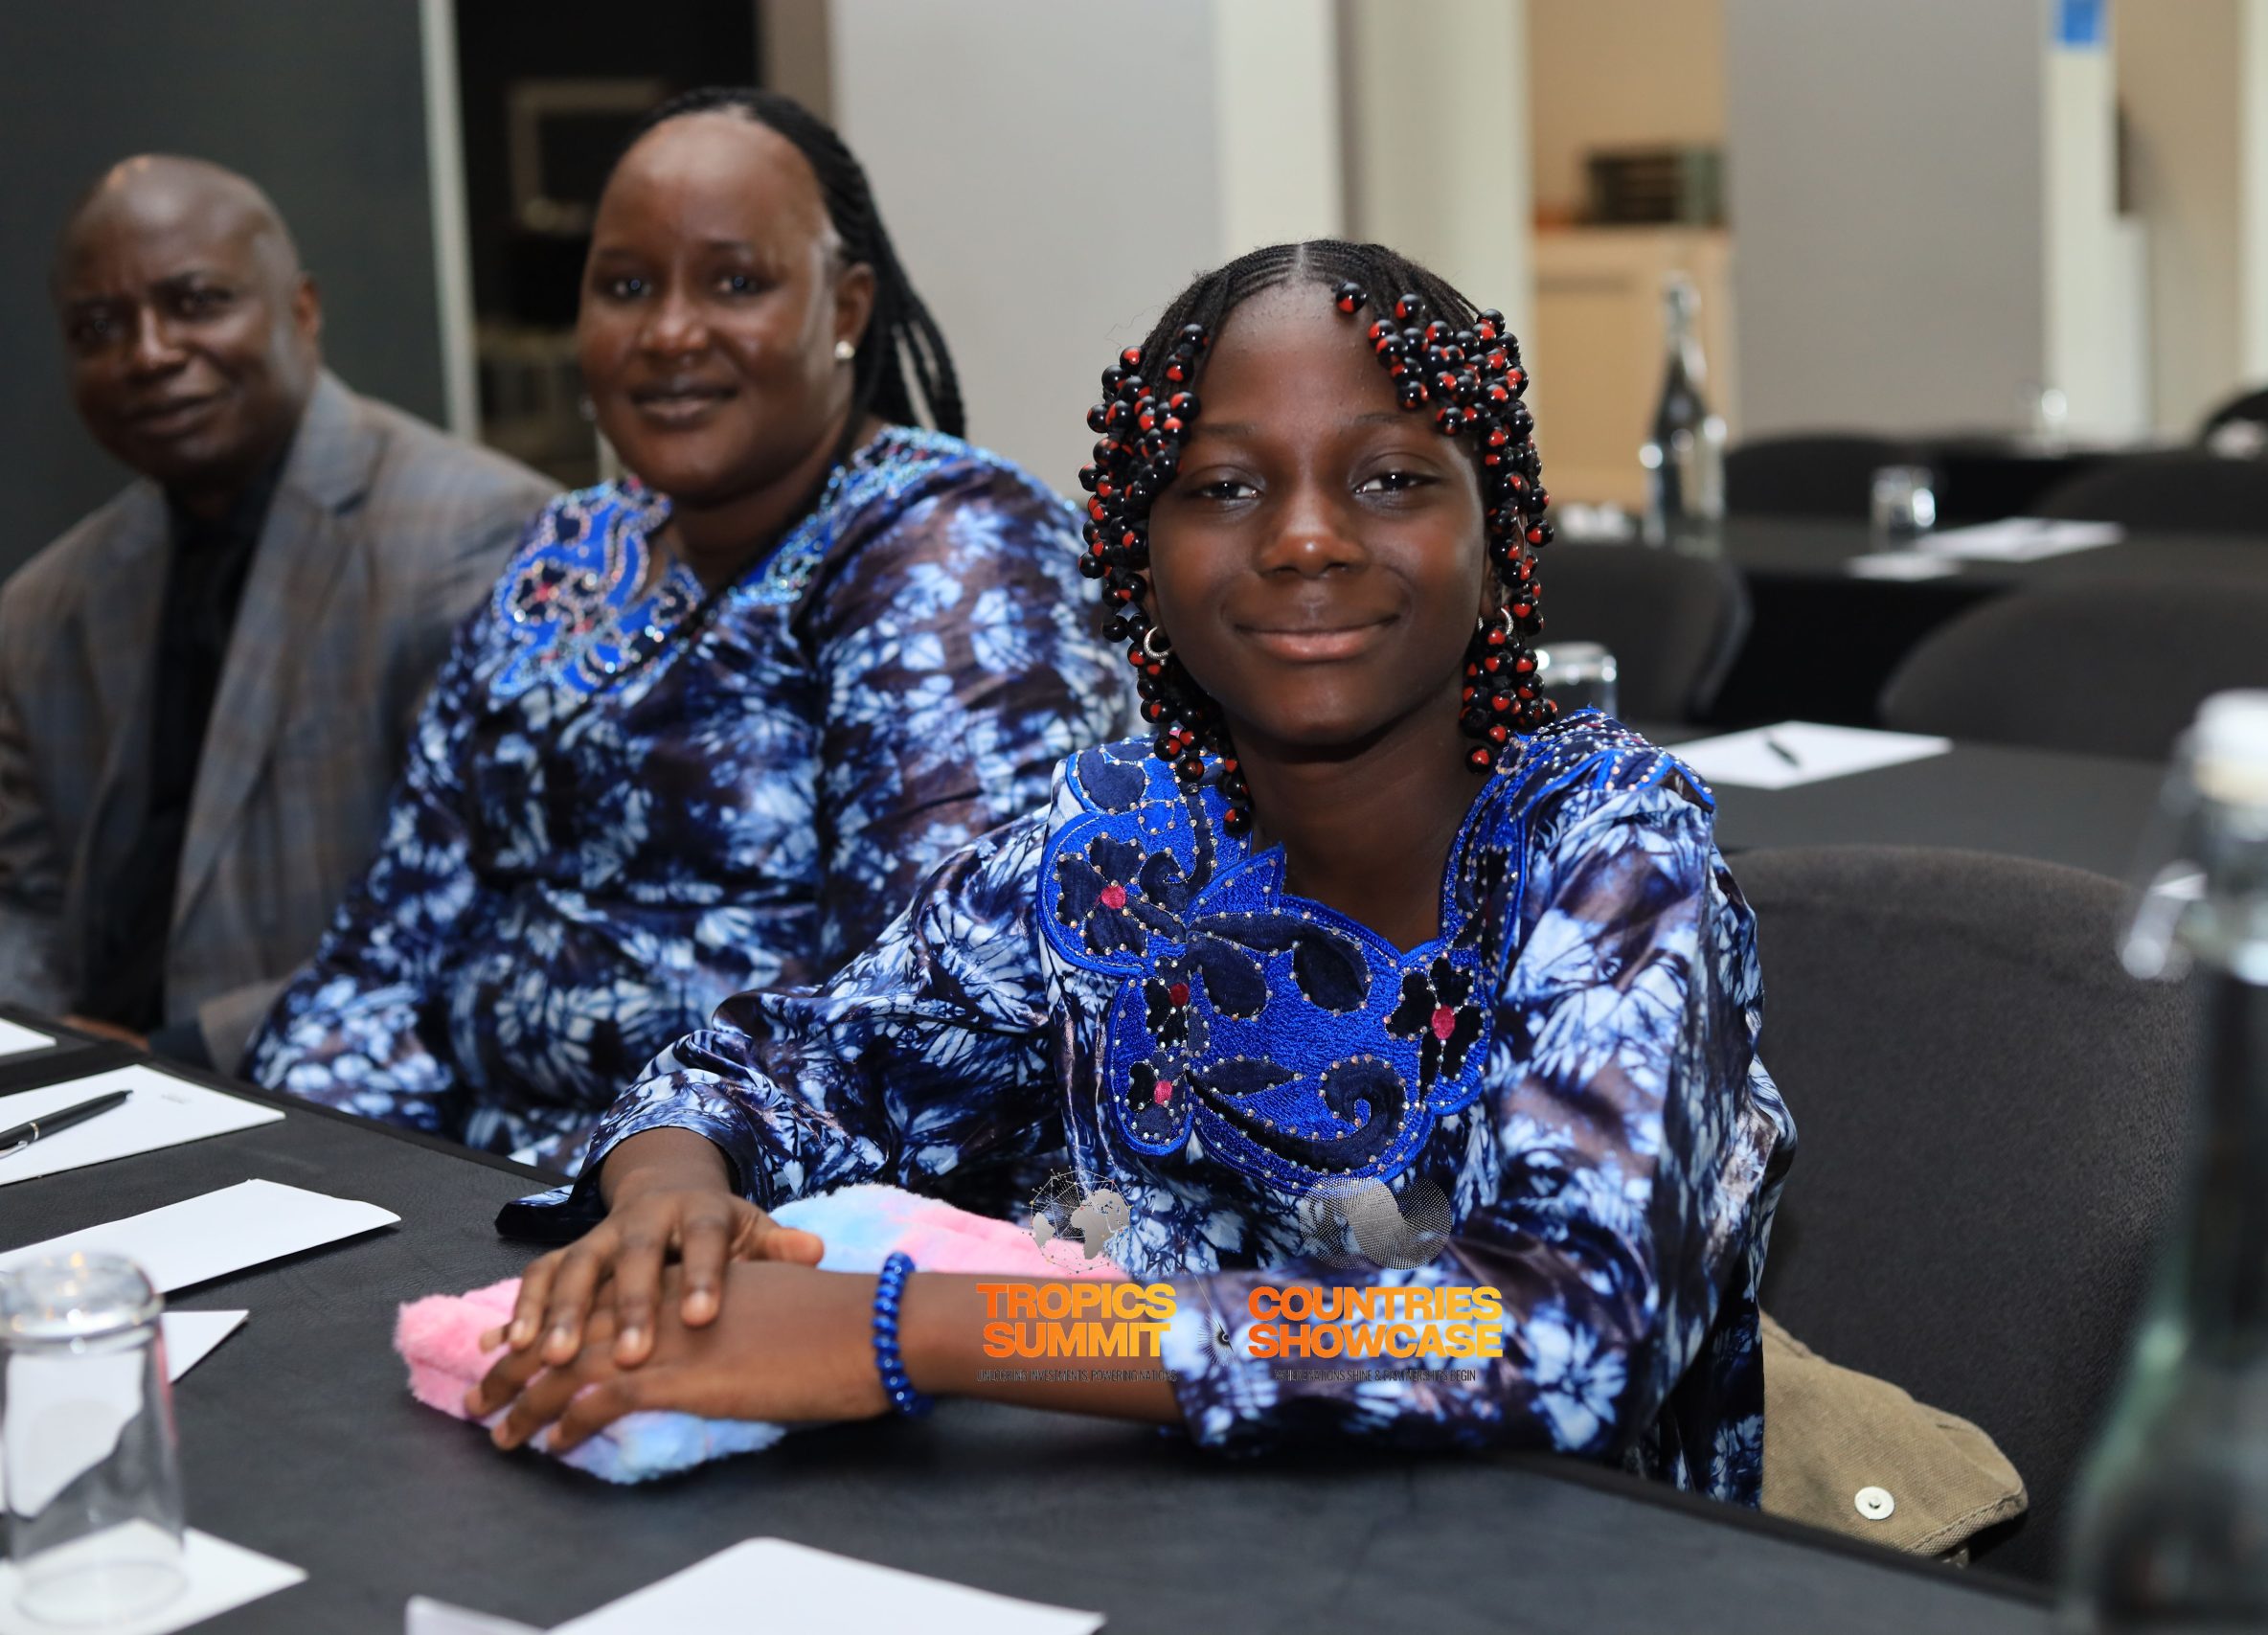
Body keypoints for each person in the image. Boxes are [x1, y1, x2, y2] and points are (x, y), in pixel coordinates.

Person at [467, 242, 1797, 1499]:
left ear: (1502, 535)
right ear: (1138, 566)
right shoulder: (1116, 849)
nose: (1306, 537)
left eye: (1391, 477)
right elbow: (789, 1060)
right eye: (1223, 487)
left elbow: (1563, 1326)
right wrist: (672, 1200)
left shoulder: (1608, 850)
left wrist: (913, 1331)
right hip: (1150, 1541)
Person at [245, 90, 1121, 1173]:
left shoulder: (948, 545)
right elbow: (387, 941)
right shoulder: (572, 544)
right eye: (625, 286)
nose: (667, 332)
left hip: (731, 1199)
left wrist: (604, 1174)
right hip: (452, 1172)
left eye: (736, 283)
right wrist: (323, 1161)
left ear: (845, 308)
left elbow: (932, 1033)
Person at [0, 156, 551, 1071]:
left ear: (301, 310)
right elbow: (22, 904)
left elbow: (482, 906)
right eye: (99, 327)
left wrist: (169, 1056)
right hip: (68, 1104)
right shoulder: (43, 609)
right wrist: (34, 1050)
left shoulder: (475, 536)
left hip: (335, 1100)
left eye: (196, 302)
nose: (148, 352)